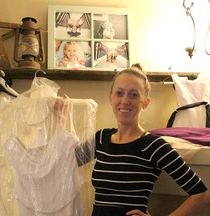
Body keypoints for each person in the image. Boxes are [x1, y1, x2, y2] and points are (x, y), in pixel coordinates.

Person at [56, 63, 210, 216]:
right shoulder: (102, 138)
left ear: (145, 102)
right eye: (119, 93)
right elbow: (65, 161)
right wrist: (61, 120)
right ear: (111, 98)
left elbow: (202, 195)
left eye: (134, 94)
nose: (125, 100)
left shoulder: (154, 146)